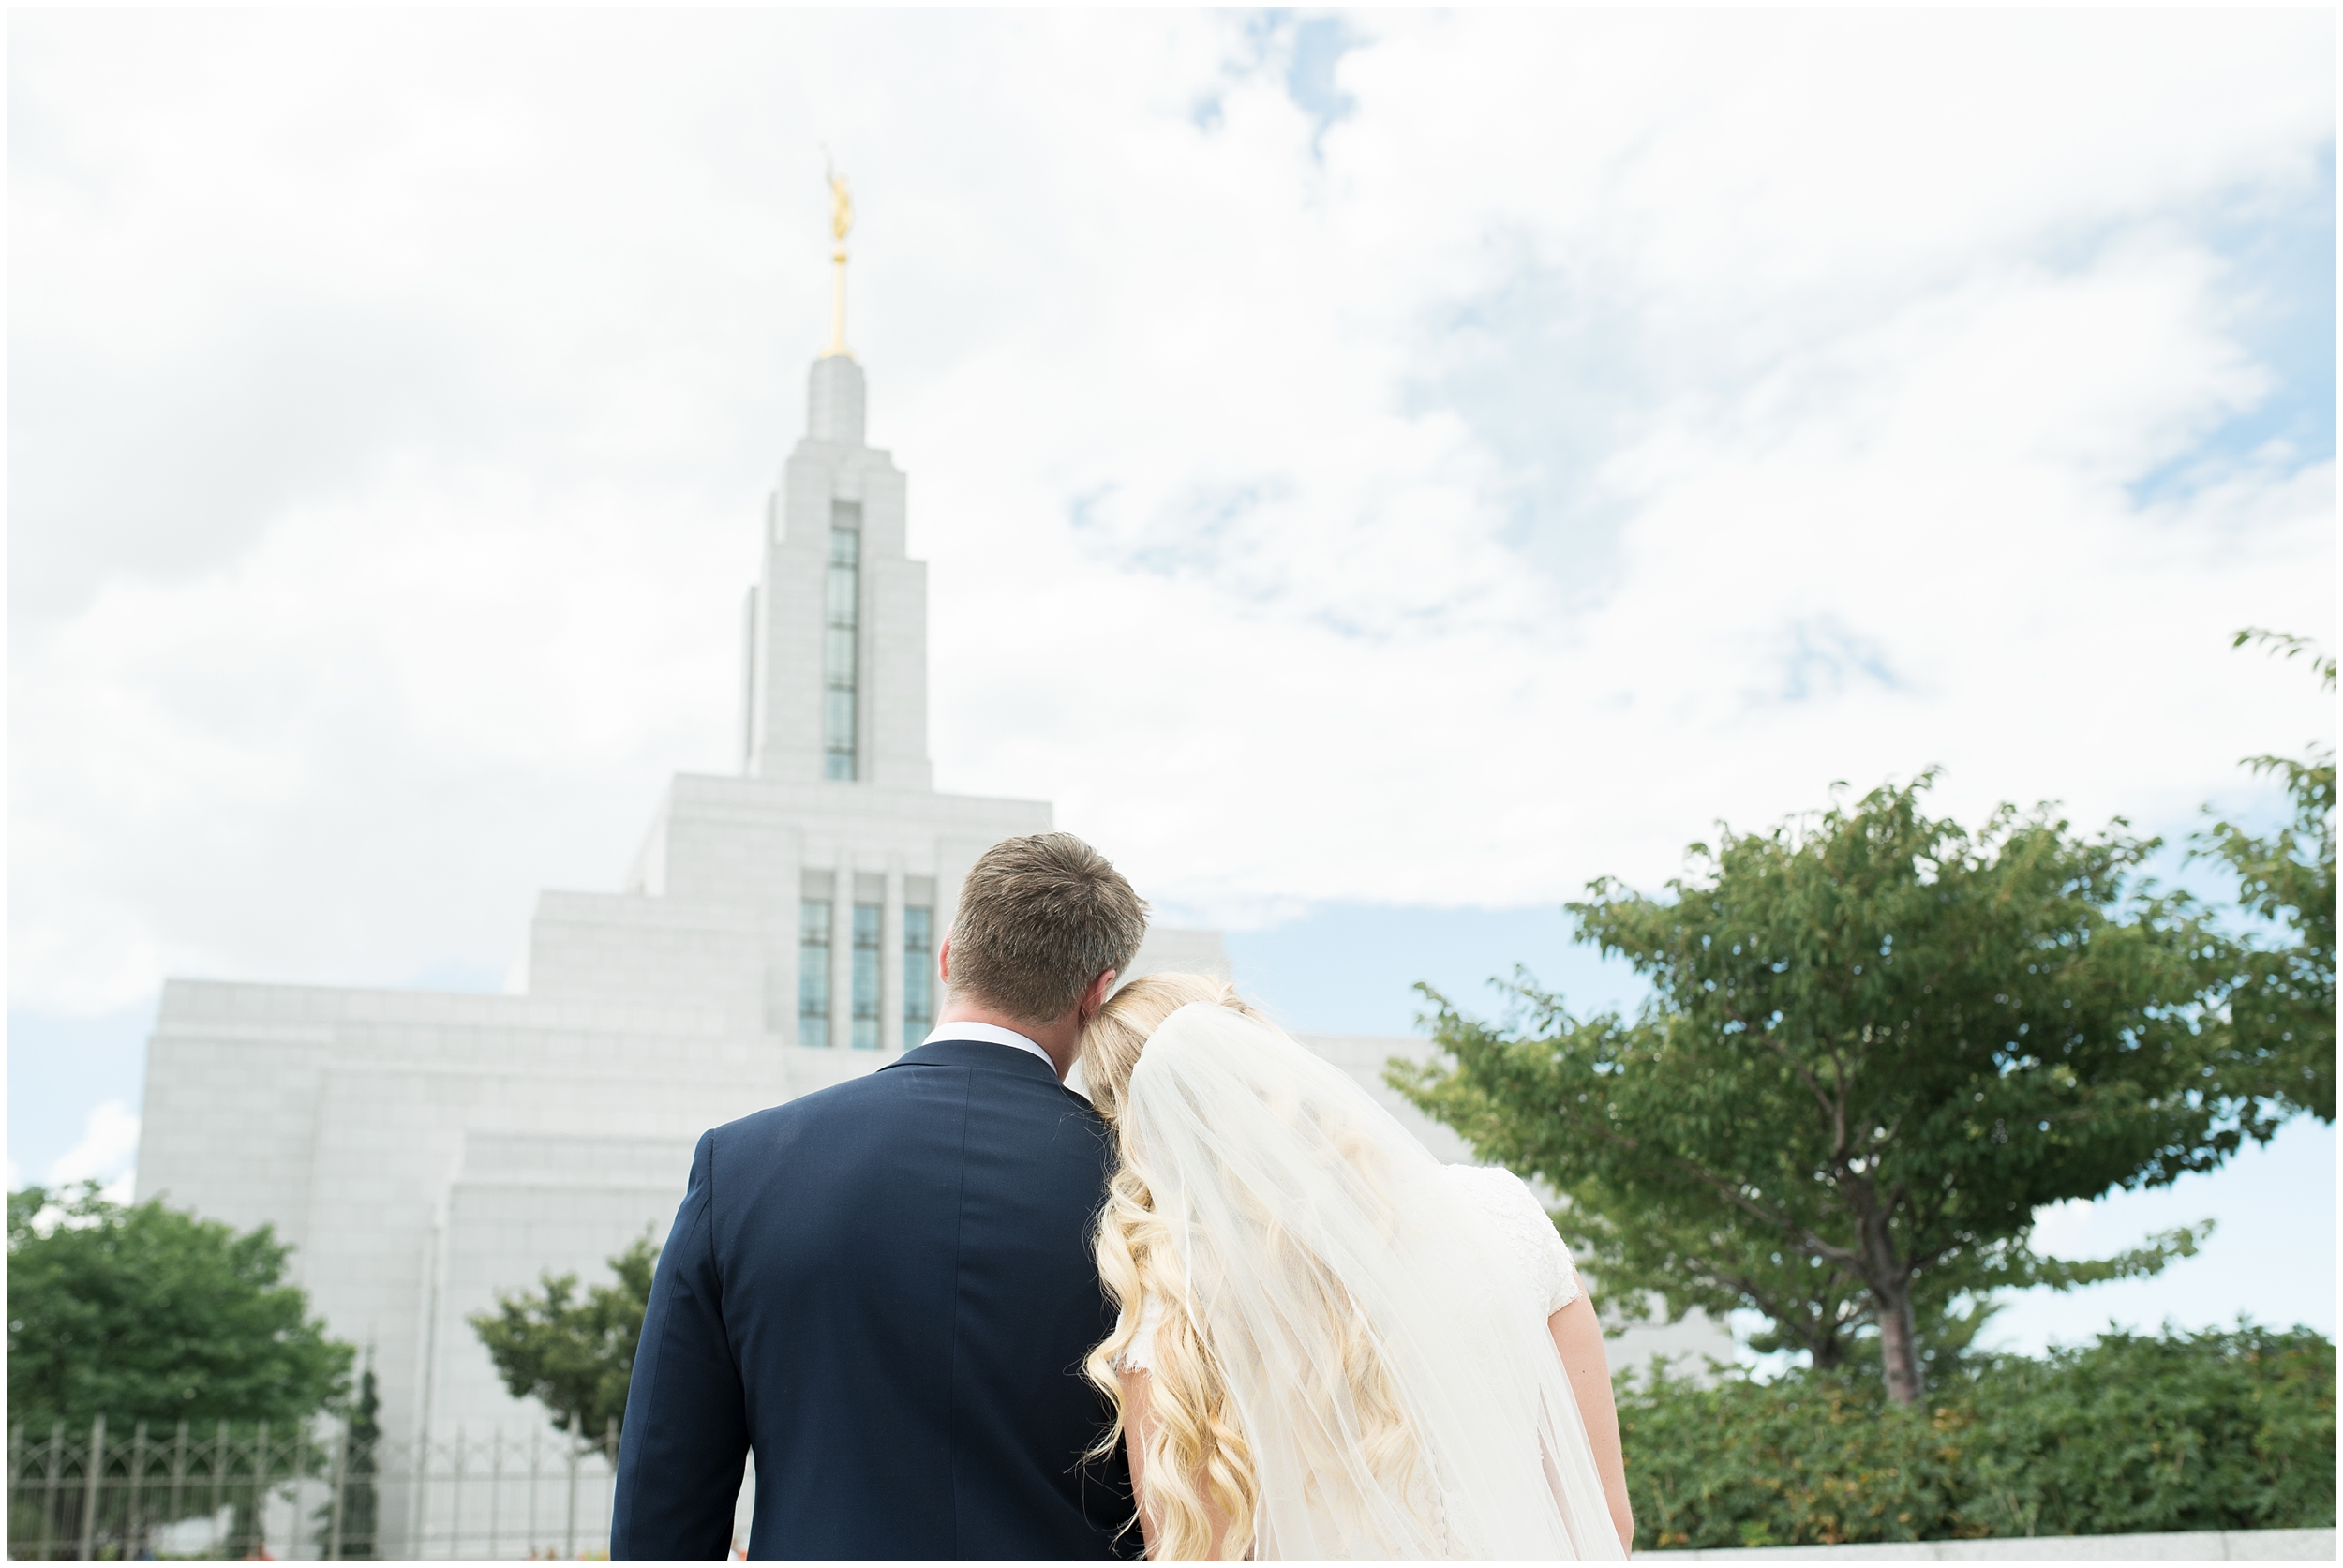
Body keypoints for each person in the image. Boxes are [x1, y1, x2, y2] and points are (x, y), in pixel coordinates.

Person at [611, 832, 1151, 1560]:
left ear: (950, 955)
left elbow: (661, 1508)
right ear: (1098, 990)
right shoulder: (1147, 1185)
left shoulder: (739, 1167)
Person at [1079, 975, 1635, 1561]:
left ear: (1131, 1132)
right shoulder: (1499, 1212)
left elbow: (1198, 1553)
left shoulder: (1177, 1313)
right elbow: (1605, 1523)